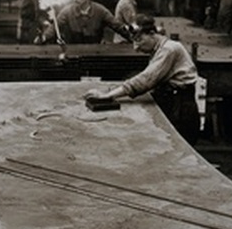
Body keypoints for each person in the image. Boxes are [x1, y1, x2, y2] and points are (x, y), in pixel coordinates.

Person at [84, 14, 201, 143]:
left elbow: (145, 80)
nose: (136, 47)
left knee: (177, 149)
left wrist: (108, 96)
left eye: (139, 39)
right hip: (171, 101)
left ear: (151, 33)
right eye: (133, 41)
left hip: (180, 110)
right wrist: (110, 91)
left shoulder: (169, 49)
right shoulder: (159, 48)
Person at [54, 0, 130, 44]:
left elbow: (117, 26)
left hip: (94, 53)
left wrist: (135, 38)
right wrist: (43, 38)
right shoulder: (67, 12)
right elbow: (54, 28)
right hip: (73, 54)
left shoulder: (100, 11)